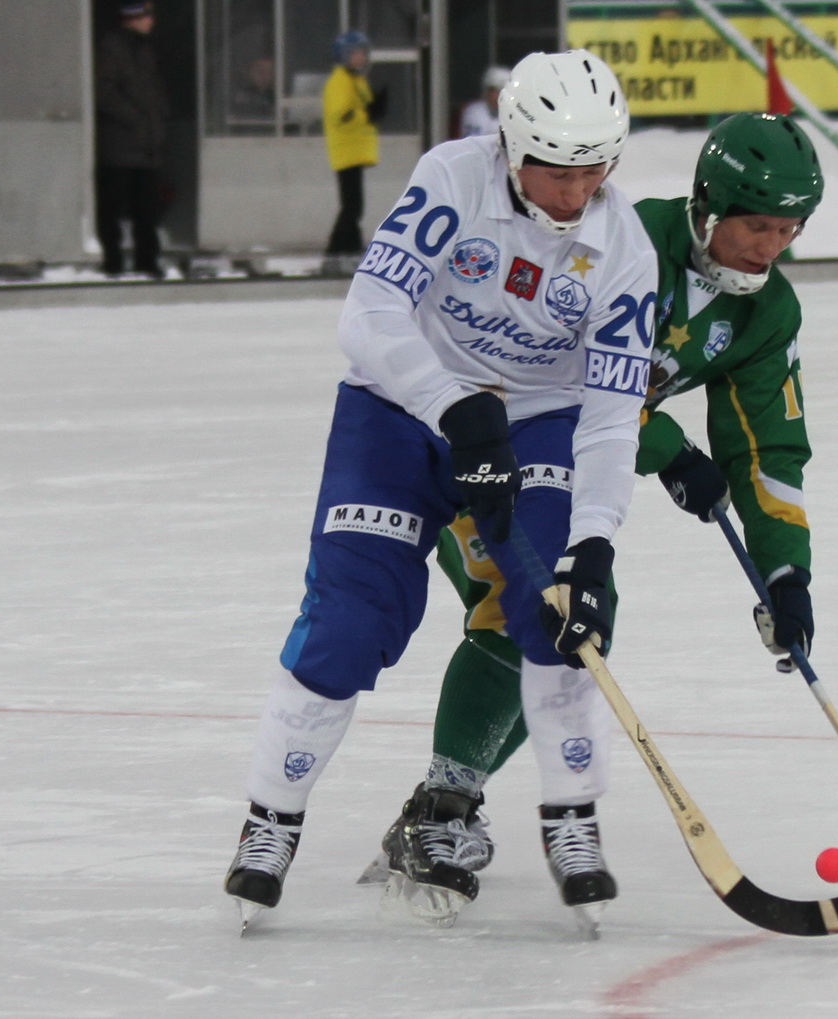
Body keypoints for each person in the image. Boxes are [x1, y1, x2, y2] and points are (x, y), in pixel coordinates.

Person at [223, 49, 659, 934]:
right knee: (353, 617)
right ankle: (273, 816)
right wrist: (454, 407)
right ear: (512, 149)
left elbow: (614, 419)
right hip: (398, 409)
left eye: (596, 171)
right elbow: (369, 313)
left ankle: (571, 819)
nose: (578, 193)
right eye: (558, 172)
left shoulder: (624, 249)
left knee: (558, 608)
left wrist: (595, 539)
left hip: (535, 421)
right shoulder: (454, 178)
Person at [359, 113, 825, 928]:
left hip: (570, 475)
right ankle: (440, 809)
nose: (772, 246)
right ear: (709, 206)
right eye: (758, 225)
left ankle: (442, 803)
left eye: (790, 229)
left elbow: (766, 451)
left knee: (576, 628)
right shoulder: (620, 239)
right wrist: (669, 448)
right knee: (525, 607)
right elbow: (556, 369)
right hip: (471, 440)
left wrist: (785, 572)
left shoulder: (767, 312)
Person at [94, 0, 170, 278]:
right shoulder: (111, 48)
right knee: (113, 206)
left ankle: (147, 260)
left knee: (147, 208)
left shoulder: (144, 49)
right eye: (147, 17)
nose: (151, 22)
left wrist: (158, 118)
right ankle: (113, 260)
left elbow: (153, 93)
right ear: (133, 19)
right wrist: (134, 119)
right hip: (120, 144)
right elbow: (104, 92)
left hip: (145, 145)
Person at [322, 31, 386, 269]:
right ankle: (338, 250)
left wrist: (373, 109)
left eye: (362, 53)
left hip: (355, 152)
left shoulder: (356, 80)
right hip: (346, 152)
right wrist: (367, 113)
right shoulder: (340, 81)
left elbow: (361, 109)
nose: (360, 58)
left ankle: (349, 247)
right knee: (352, 206)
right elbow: (341, 116)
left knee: (353, 205)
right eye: (354, 54)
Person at [459, 66, 510, 138]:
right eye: (493, 91)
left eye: (500, 91)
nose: (496, 95)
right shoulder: (474, 112)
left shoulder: (512, 114)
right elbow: (474, 141)